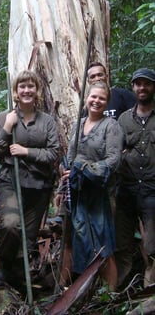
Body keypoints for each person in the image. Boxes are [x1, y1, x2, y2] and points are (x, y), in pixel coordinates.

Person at [56, 61, 135, 288]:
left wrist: (84, 168)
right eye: (93, 97)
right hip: (77, 193)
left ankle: (109, 294)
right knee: (77, 239)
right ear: (87, 98)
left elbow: (113, 161)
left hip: (100, 194)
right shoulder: (78, 124)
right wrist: (64, 183)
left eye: (102, 98)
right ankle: (78, 289)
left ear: (106, 100)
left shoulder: (111, 126)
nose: (96, 101)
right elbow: (69, 157)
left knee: (104, 245)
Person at [0, 70, 59, 289]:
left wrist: (26, 151)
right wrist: (8, 127)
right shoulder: (3, 118)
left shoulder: (47, 122)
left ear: (37, 90)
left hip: (38, 186)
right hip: (11, 181)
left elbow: (53, 154)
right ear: (16, 91)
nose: (27, 90)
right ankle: (5, 268)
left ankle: (18, 280)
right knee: (11, 226)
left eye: (31, 86)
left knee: (28, 239)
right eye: (22, 86)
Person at [115, 68, 155, 288]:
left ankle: (149, 291)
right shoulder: (123, 120)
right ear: (133, 87)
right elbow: (114, 152)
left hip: (152, 189)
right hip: (126, 188)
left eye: (147, 84)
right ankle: (121, 289)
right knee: (122, 243)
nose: (142, 88)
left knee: (152, 246)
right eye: (138, 84)